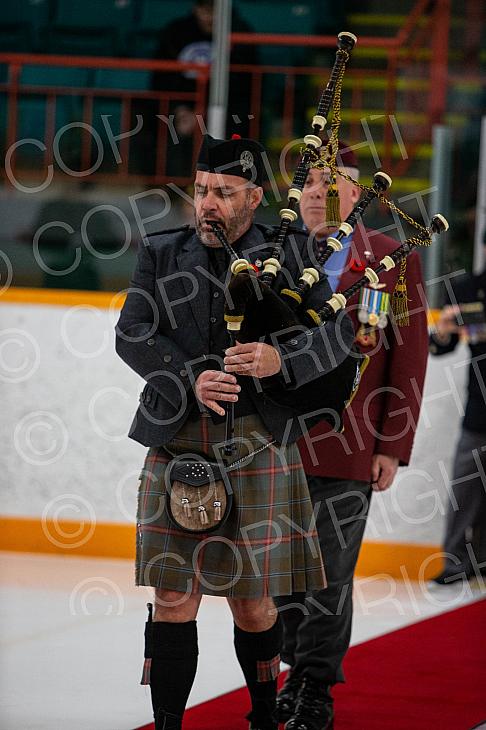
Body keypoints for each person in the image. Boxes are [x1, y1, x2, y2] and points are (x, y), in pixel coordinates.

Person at [115, 134, 355, 730]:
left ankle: (263, 717)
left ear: (254, 198)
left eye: (223, 192)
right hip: (177, 437)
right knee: (173, 596)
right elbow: (132, 332)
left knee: (252, 601)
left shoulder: (293, 251)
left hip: (255, 437)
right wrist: (189, 377)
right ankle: (169, 723)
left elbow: (337, 336)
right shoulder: (162, 252)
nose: (208, 203)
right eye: (200, 191)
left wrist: (282, 361)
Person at [275, 143, 429, 730]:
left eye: (330, 182)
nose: (317, 192)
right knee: (278, 576)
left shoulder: (390, 259)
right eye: (309, 182)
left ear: (358, 192)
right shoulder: (271, 255)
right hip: (276, 443)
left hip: (350, 444)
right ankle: (284, 676)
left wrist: (393, 444)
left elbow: (407, 358)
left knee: (329, 577)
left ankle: (314, 688)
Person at [429, 241, 486, 584]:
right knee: (465, 489)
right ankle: (454, 563)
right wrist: (443, 329)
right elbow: (440, 347)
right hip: (479, 410)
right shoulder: (469, 289)